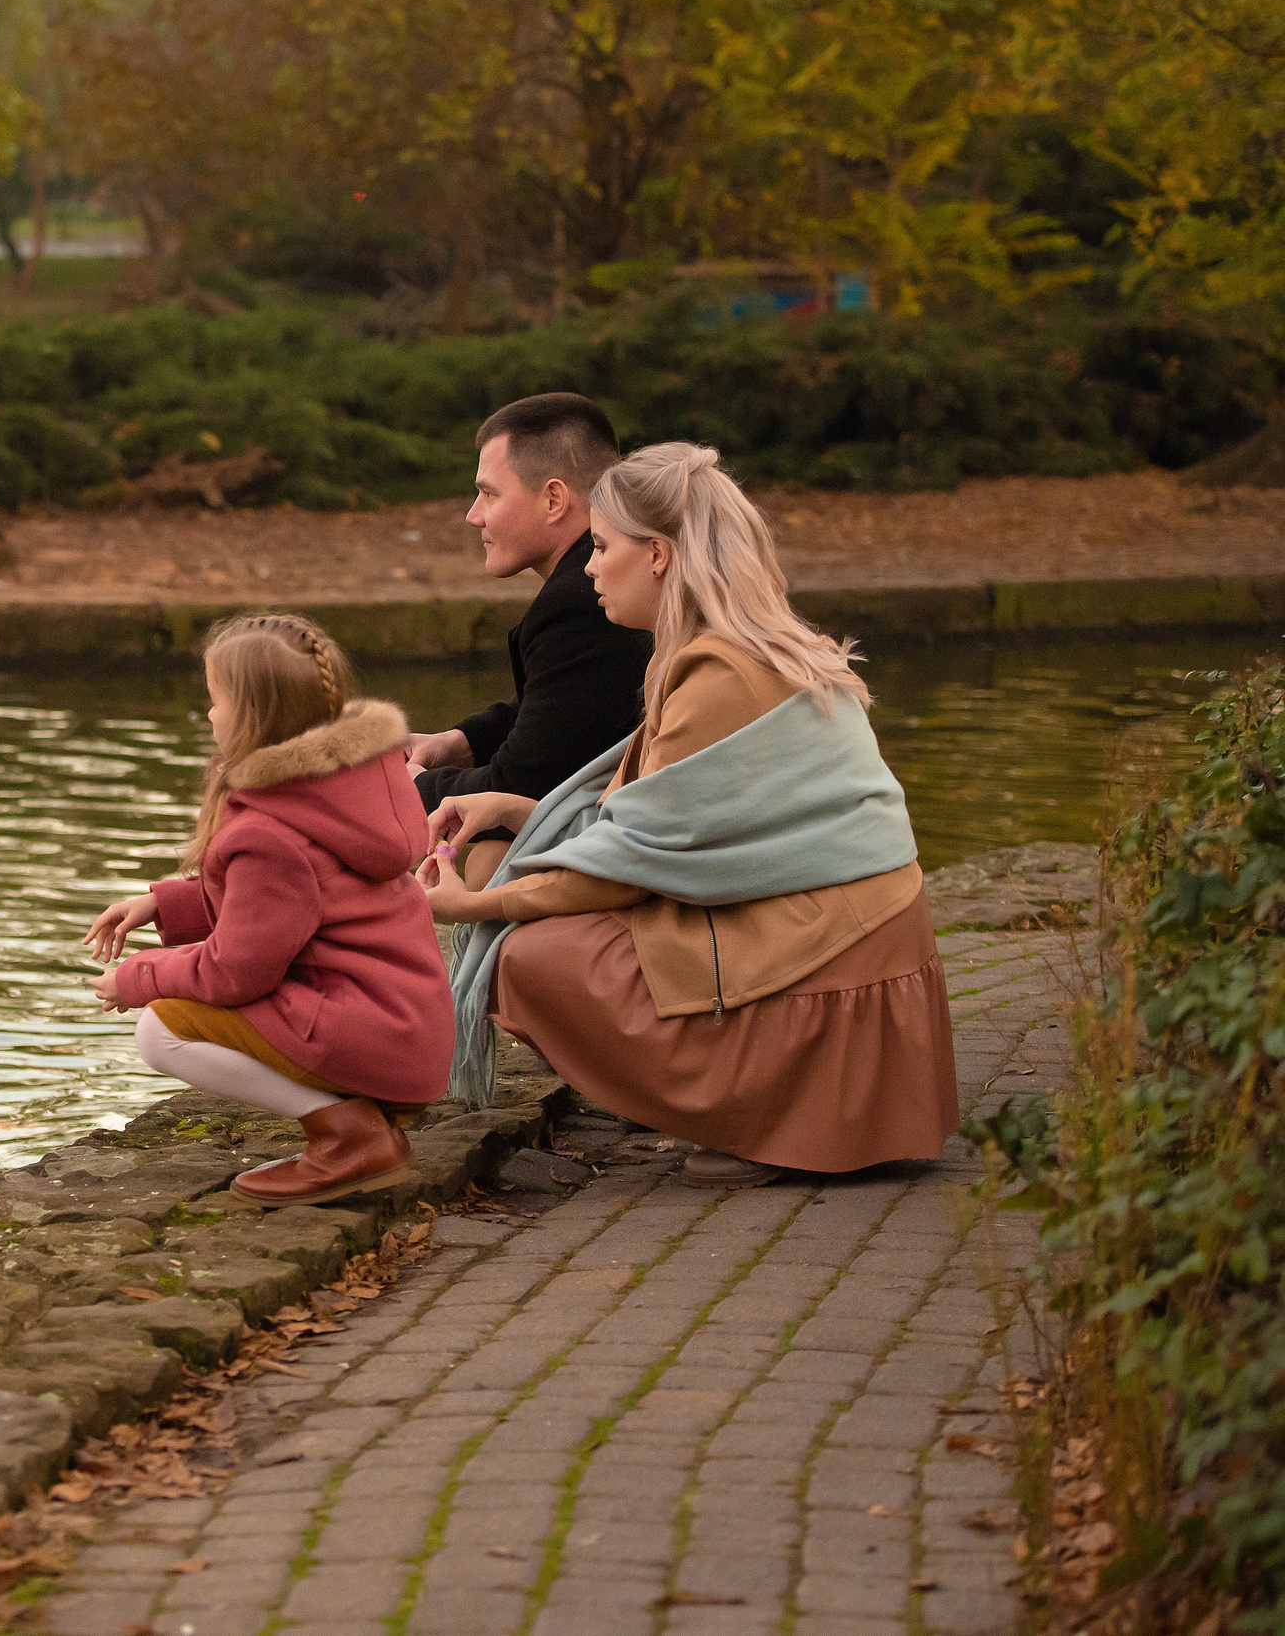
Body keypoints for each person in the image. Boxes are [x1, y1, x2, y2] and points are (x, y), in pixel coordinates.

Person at [421, 443, 956, 1188]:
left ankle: (755, 1121)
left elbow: (628, 862)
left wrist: (473, 904)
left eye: (603, 546)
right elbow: (665, 831)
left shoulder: (718, 675)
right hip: (848, 931)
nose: (589, 567)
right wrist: (515, 807)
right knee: (525, 888)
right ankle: (740, 1112)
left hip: (830, 945)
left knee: (526, 955)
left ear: (660, 555)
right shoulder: (725, 649)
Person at [84, 613, 454, 1207]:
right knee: (183, 1007)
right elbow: (283, 909)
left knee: (160, 1029)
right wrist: (162, 903)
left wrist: (137, 978)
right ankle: (357, 1120)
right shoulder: (353, 782)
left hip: (372, 1030)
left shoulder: (269, 831)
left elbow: (235, 971)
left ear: (254, 714)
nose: (209, 715)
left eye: (216, 701)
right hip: (405, 1024)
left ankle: (350, 1137)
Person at [409, 394, 655, 887]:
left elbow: (521, 786)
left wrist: (409, 787)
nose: (473, 515)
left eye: (489, 494)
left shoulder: (584, 601)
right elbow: (560, 709)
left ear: (553, 499)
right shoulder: (582, 591)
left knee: (484, 864)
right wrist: (459, 743)